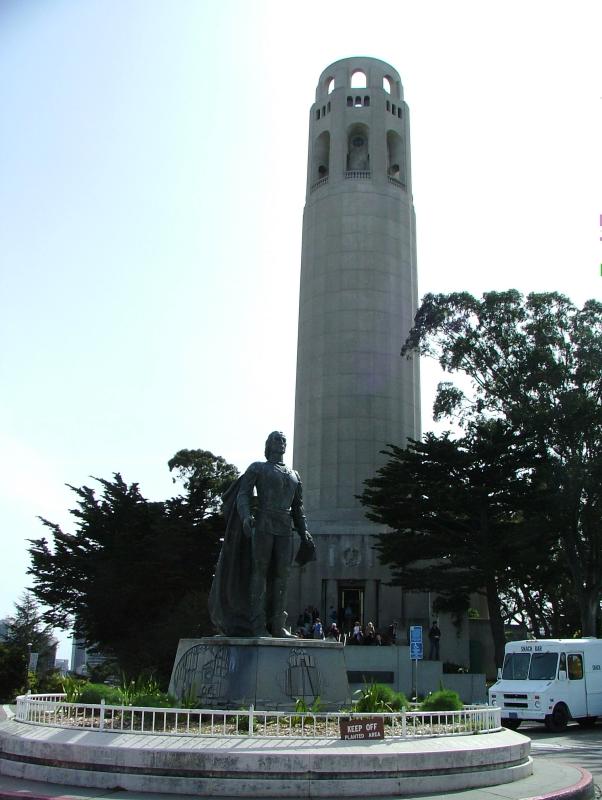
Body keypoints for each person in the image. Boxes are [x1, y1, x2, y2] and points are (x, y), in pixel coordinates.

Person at [208, 431, 315, 637]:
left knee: (282, 576)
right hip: (264, 523)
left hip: (285, 528)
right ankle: (256, 624)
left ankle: (277, 625)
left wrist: (304, 531)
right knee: (260, 573)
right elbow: (243, 494)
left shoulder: (294, 475)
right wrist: (247, 516)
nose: (281, 443)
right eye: (277, 439)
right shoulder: (258, 468)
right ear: (268, 444)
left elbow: (297, 507)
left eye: (283, 440)